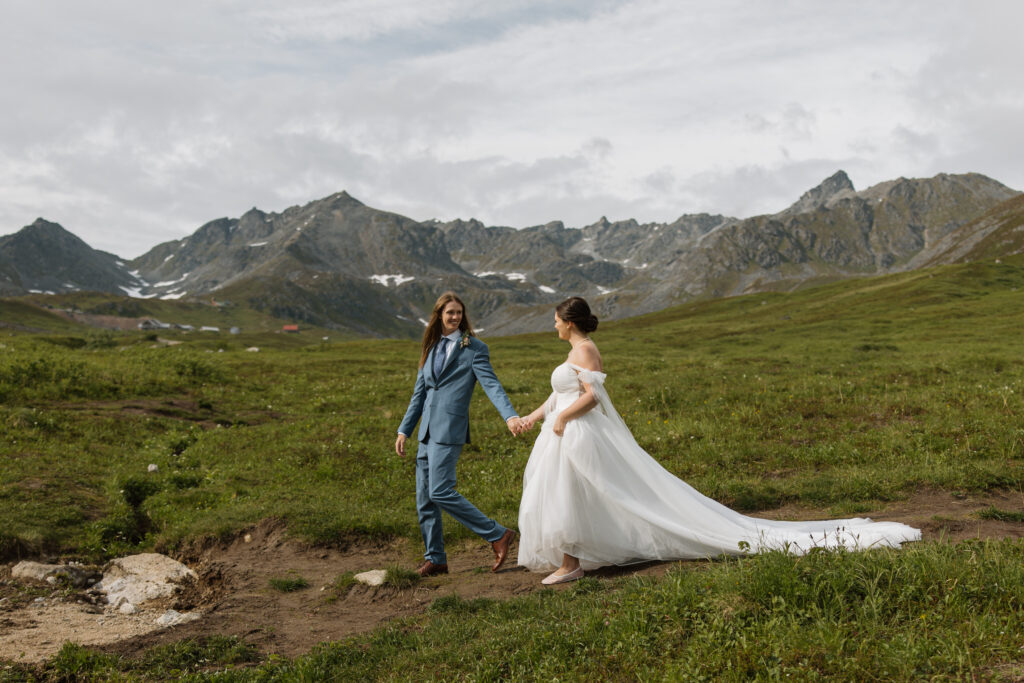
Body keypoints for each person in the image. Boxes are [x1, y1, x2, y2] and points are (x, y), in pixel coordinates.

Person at [516, 297, 920, 585]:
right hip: (562, 433)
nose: (553, 325)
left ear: (569, 322)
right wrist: (534, 418)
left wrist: (564, 418)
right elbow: (559, 395)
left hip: (579, 433)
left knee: (586, 492)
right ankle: (574, 559)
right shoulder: (572, 353)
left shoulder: (586, 350)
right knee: (571, 494)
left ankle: (572, 563)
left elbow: (591, 397)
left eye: (555, 319)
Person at [396, 292, 523, 577]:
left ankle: (497, 534)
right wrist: (405, 429)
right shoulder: (430, 347)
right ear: (439, 315)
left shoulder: (474, 348)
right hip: (426, 432)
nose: (455, 317)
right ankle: (436, 559)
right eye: (450, 313)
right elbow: (420, 393)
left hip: (450, 429)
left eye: (459, 313)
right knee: (425, 500)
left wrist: (510, 415)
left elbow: (492, 385)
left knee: (440, 490)